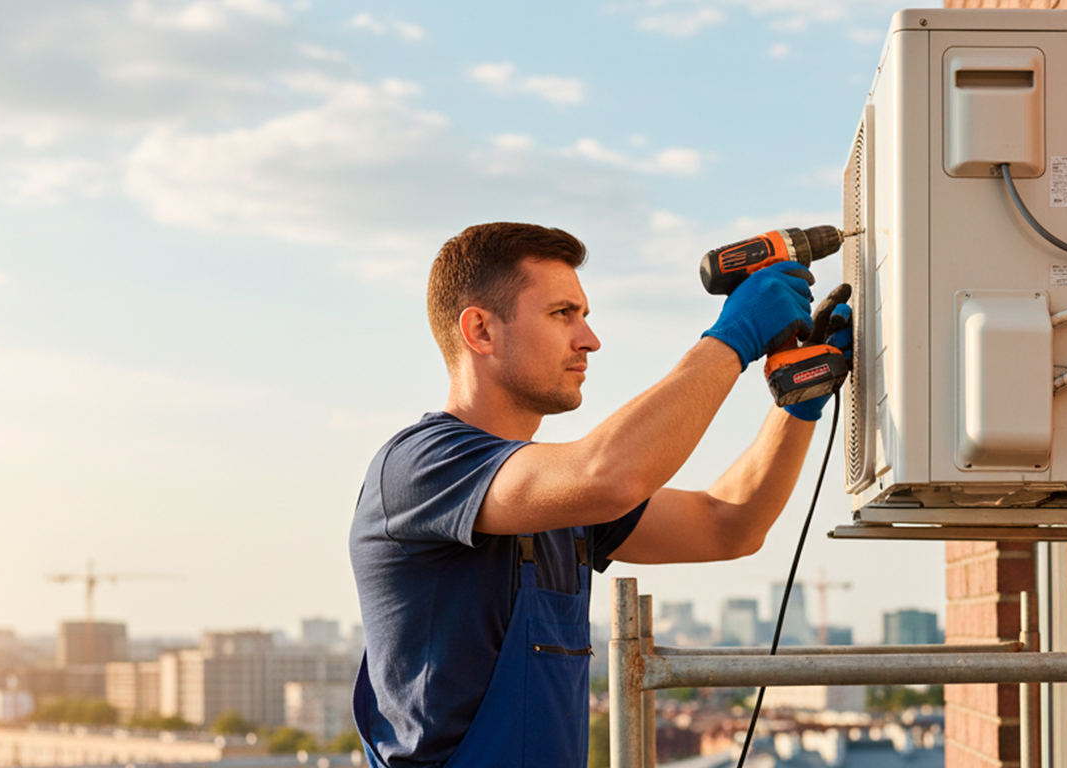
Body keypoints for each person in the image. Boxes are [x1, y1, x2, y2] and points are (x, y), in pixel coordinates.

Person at [349, 222, 851, 768]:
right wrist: (734, 337)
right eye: (562, 314)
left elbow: (728, 523)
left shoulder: (562, 498)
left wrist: (798, 403)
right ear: (481, 331)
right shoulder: (421, 467)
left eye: (584, 315)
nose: (589, 339)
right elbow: (608, 475)